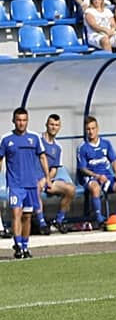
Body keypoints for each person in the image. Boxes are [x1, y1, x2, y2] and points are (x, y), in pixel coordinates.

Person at [0, 108, 48, 258]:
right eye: (19, 120)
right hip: (15, 184)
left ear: (27, 121)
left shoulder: (34, 138)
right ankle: (18, 246)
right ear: (13, 121)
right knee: (16, 214)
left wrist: (47, 177)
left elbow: (42, 157)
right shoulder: (6, 139)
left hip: (31, 185)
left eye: (24, 120)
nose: (21, 123)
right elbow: (0, 159)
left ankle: (25, 246)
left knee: (27, 216)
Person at [76, 114, 116, 230]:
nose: (91, 132)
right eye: (88, 129)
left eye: (93, 128)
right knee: (95, 188)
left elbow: (114, 160)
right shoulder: (82, 147)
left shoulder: (106, 143)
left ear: (97, 129)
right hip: (92, 177)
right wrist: (97, 176)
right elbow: (82, 168)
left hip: (108, 176)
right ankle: (100, 220)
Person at [37, 113, 76, 234]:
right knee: (36, 188)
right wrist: (42, 180)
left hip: (48, 179)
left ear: (59, 127)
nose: (54, 127)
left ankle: (58, 221)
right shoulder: (37, 140)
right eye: (51, 124)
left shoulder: (58, 147)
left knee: (71, 189)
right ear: (46, 125)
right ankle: (42, 223)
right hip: (34, 179)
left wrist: (47, 180)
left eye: (56, 125)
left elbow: (54, 169)